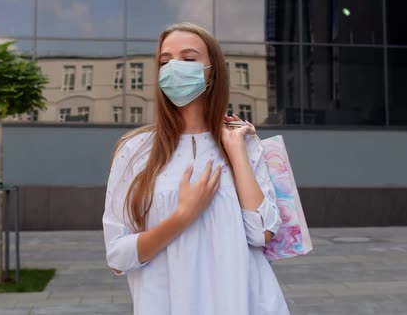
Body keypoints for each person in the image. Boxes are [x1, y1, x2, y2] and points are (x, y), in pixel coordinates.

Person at [102, 22, 290, 315]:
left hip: (247, 303)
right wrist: (184, 215)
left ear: (212, 71)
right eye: (165, 61)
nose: (175, 67)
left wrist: (237, 149)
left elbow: (261, 232)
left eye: (189, 59)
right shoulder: (135, 150)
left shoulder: (243, 142)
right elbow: (117, 255)